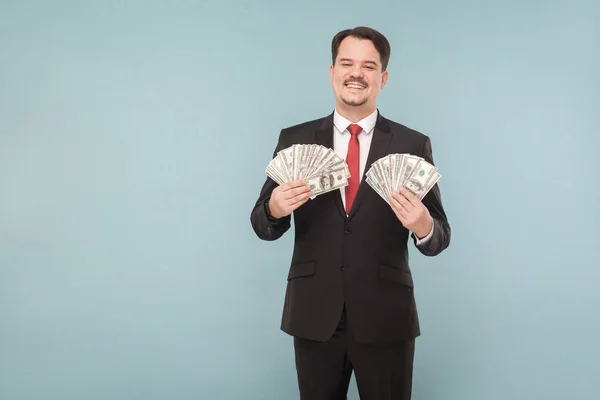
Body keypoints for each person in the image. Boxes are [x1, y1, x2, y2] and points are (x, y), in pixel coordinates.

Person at [250, 26, 451, 400]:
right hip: (314, 313)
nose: (356, 73)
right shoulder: (294, 139)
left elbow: (439, 236)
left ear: (382, 78)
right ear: (332, 72)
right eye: (347, 63)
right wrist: (275, 207)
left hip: (386, 315)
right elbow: (263, 224)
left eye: (368, 66)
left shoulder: (412, 143)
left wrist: (423, 225)